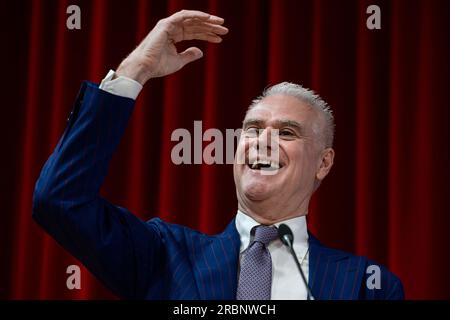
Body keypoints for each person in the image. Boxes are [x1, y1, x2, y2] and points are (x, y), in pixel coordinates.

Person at [32, 10, 404, 300]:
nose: (264, 141)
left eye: (287, 132)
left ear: (324, 163)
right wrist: (137, 69)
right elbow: (60, 200)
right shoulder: (164, 257)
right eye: (253, 129)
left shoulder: (367, 286)